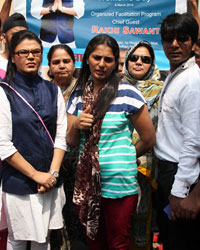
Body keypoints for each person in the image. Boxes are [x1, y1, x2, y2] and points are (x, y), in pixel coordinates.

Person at [66, 33, 156, 250]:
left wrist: (124, 157)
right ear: (87, 58)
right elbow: (70, 140)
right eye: (97, 57)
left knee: (118, 244)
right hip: (87, 185)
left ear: (116, 63)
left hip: (119, 184)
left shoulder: (128, 93)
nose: (101, 64)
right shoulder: (78, 94)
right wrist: (77, 124)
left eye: (108, 59)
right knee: (94, 242)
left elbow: (149, 138)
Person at [0, 29, 67, 249]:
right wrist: (36, 175)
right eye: (23, 52)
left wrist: (52, 174)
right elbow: (3, 144)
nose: (30, 56)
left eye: (36, 52)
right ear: (12, 56)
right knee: (17, 238)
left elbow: (60, 136)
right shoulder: (4, 91)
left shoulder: (52, 90)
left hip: (50, 180)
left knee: (44, 240)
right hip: (19, 181)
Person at [154, 13, 200, 250]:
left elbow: (194, 142)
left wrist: (180, 192)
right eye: (168, 39)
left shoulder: (193, 81)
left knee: (180, 241)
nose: (174, 45)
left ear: (193, 42)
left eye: (182, 38)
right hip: (166, 173)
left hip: (180, 177)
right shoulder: (175, 74)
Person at [122, 40, 163, 250]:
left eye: (145, 59)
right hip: (116, 165)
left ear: (152, 64)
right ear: (127, 61)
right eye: (134, 57)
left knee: (141, 214)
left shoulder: (162, 91)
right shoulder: (115, 87)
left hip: (145, 165)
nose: (139, 62)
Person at [47, 44, 88, 250]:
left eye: (66, 61)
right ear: (49, 66)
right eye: (56, 62)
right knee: (52, 220)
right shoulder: (44, 90)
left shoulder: (86, 90)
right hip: (49, 164)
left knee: (76, 216)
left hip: (79, 165)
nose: (62, 66)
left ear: (74, 63)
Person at [0, 12, 28, 81]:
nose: (20, 37)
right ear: (3, 38)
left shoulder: (32, 62)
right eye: (15, 34)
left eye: (24, 34)